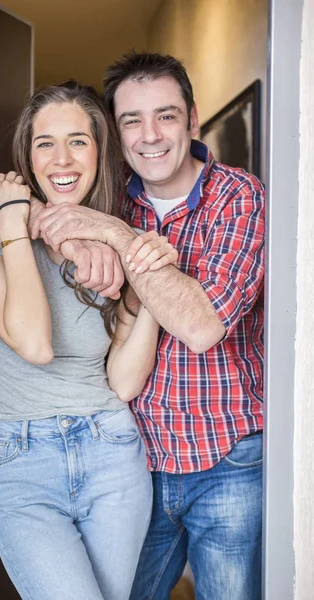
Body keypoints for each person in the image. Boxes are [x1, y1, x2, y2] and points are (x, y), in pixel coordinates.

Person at [28, 52, 265, 600]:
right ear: (115, 130)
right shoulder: (107, 197)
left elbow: (202, 326)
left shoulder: (238, 197)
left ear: (193, 119)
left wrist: (113, 233)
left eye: (166, 115)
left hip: (227, 457)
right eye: (131, 120)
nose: (149, 135)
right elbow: (26, 201)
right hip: (134, 460)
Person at [0, 80, 179, 600]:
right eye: (45, 143)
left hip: (112, 452)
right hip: (21, 461)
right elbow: (33, 343)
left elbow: (123, 382)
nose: (62, 158)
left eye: (78, 140)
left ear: (100, 153)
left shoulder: (113, 241)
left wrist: (147, 283)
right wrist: (13, 219)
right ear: (27, 158)